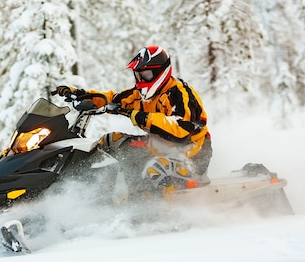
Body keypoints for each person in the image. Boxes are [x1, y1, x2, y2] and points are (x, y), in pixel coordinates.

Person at [54, 45, 212, 194]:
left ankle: (155, 214)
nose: (141, 79)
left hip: (191, 156)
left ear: (160, 72)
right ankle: (88, 191)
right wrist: (80, 94)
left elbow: (182, 129)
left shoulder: (180, 94)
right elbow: (113, 99)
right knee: (111, 141)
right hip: (161, 149)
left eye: (146, 74)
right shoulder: (142, 95)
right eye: (138, 74)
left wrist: (141, 116)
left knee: (154, 169)